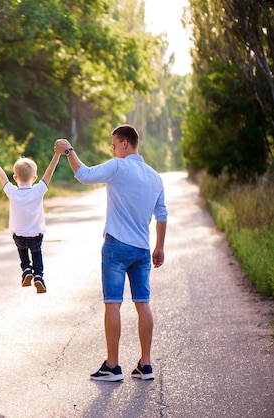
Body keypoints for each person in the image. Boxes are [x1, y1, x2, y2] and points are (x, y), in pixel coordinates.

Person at [55, 124, 167, 382]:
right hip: (142, 248)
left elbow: (83, 174)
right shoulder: (155, 177)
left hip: (116, 247)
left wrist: (68, 150)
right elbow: (161, 214)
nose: (113, 149)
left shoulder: (118, 166)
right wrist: (159, 245)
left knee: (113, 303)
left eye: (114, 144)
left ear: (125, 143)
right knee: (143, 303)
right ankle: (145, 365)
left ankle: (113, 366)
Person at [0, 151, 62, 293]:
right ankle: (38, 276)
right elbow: (49, 172)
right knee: (37, 253)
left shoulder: (12, 192)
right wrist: (57, 155)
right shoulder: (38, 190)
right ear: (34, 177)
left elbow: (1, 175)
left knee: (22, 250)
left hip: (19, 235)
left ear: (15, 177)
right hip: (36, 234)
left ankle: (26, 269)